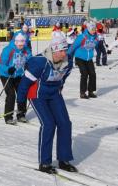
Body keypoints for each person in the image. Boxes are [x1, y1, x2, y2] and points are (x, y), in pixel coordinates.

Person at [17, 32, 77, 174]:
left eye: (65, 50)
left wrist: (59, 88)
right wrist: (20, 104)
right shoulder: (40, 62)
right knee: (49, 124)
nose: (64, 54)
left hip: (54, 93)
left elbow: (63, 77)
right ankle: (45, 163)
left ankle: (63, 160)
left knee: (65, 123)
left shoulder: (68, 62)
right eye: (61, 51)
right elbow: (24, 84)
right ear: (54, 50)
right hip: (37, 95)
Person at [0, 33, 32, 124]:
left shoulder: (26, 50)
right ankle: (8, 117)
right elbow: (0, 64)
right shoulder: (8, 50)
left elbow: (30, 61)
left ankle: (21, 115)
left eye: (23, 44)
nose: (21, 46)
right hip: (6, 75)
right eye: (19, 44)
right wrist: (8, 69)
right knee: (11, 95)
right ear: (16, 42)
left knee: (22, 93)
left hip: (19, 75)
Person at [68, 22, 98, 99]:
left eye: (95, 29)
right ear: (88, 29)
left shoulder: (95, 37)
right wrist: (67, 55)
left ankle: (91, 91)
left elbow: (95, 45)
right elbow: (73, 46)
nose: (94, 31)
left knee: (92, 74)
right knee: (84, 73)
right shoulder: (82, 36)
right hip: (80, 57)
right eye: (92, 29)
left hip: (89, 58)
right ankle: (82, 92)